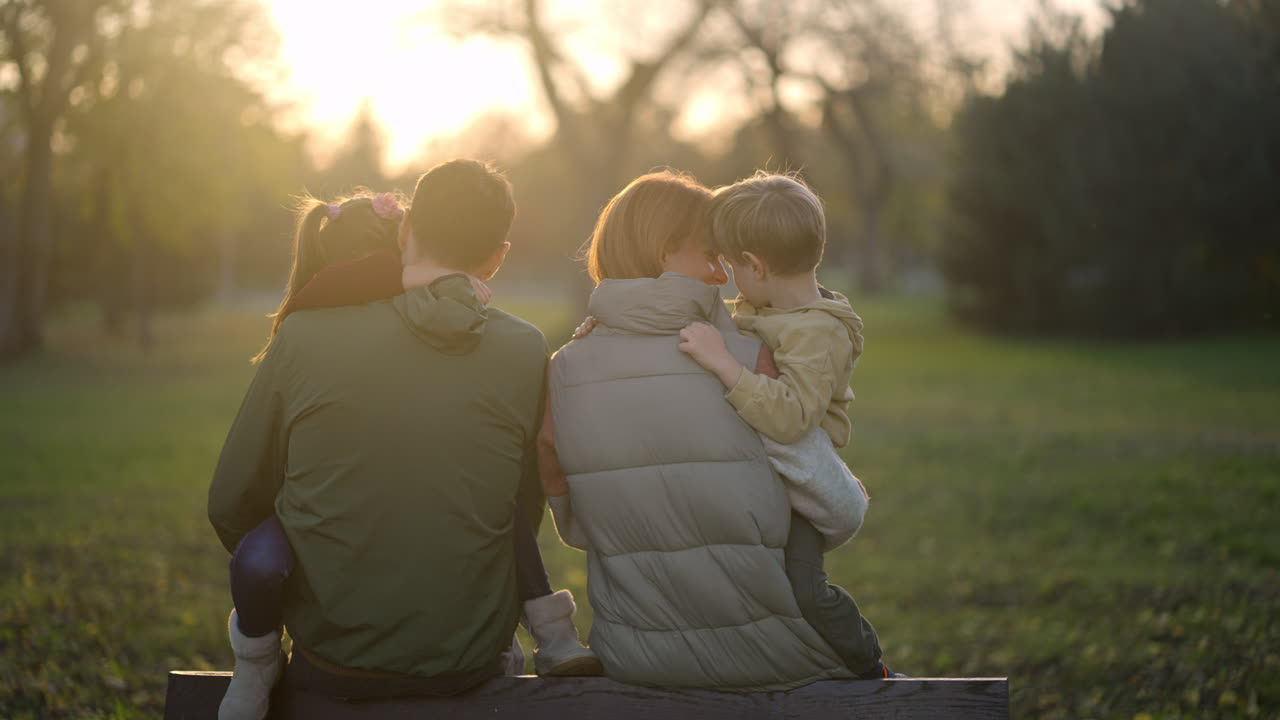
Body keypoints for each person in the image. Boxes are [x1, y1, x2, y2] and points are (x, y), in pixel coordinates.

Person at [208, 160, 595, 720]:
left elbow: (232, 501)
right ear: (498, 255)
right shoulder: (523, 350)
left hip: (334, 657)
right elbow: (516, 509)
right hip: (470, 660)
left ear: (406, 228)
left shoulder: (306, 333)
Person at [537, 170, 863, 691]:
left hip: (630, 655)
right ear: (666, 252)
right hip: (769, 656)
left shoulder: (563, 369)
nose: (720, 276)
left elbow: (577, 528)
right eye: (710, 256)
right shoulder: (745, 360)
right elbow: (835, 505)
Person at [673, 171, 896, 679]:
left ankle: (868, 665)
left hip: (800, 492)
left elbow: (793, 418)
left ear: (754, 264)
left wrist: (724, 365)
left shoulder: (819, 333)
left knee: (804, 591)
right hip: (756, 475)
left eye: (730, 266)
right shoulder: (767, 306)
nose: (727, 279)